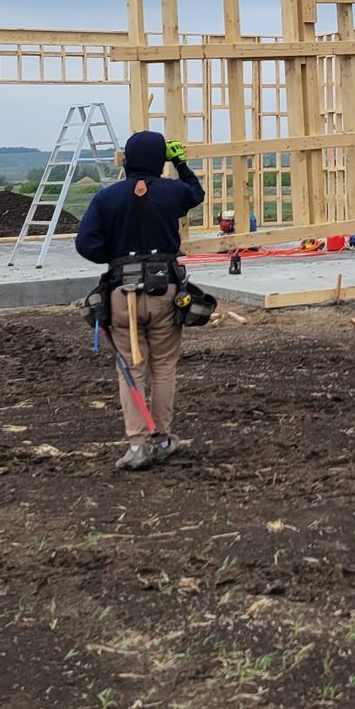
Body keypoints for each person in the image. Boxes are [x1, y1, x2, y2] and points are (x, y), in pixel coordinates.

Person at [76, 130, 205, 471]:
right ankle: (162, 439)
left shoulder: (108, 197)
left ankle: (137, 446)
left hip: (122, 294)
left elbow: (85, 243)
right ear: (159, 160)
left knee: (131, 369)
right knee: (163, 367)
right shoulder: (173, 192)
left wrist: (115, 257)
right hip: (165, 291)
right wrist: (180, 162)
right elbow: (196, 193)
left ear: (128, 160)